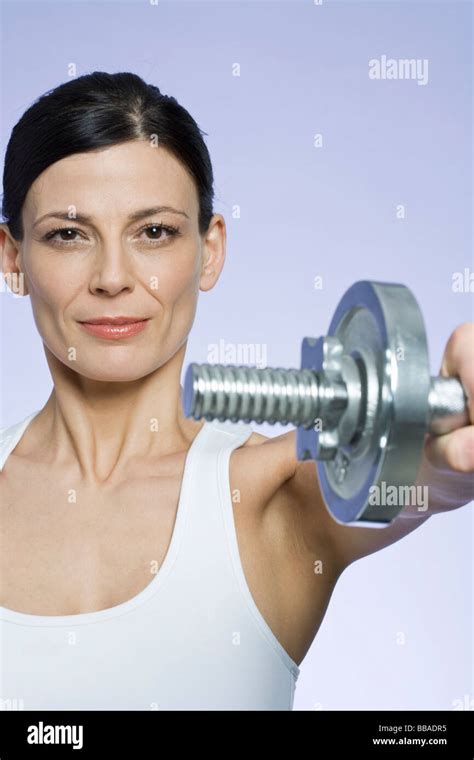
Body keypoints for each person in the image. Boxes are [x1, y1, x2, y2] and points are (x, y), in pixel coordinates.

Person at [0, 72, 472, 711]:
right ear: (13, 258)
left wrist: (450, 449)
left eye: (155, 232)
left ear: (210, 250)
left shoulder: (280, 496)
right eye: (68, 234)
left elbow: (427, 478)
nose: (113, 277)